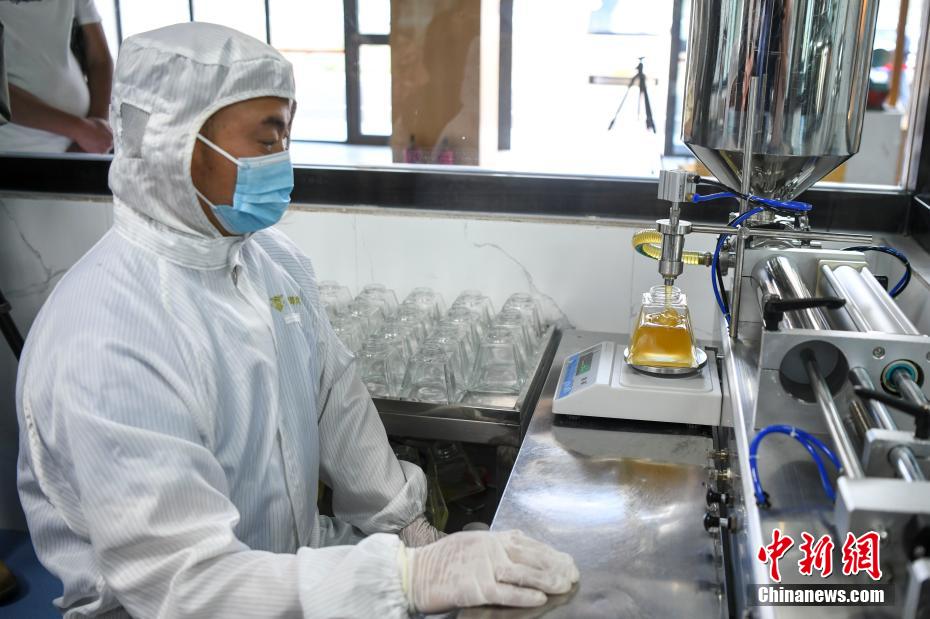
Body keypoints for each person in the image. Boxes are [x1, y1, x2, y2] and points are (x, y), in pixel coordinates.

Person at [15, 22, 578, 618]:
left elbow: (334, 398)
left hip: (291, 576)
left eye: (287, 136)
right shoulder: (107, 337)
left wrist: (410, 529)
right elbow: (185, 586)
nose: (282, 163)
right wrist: (407, 579)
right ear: (174, 146)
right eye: (267, 140)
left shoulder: (270, 261)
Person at [0, 0, 113, 153]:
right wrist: (80, 129)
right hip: (18, 151)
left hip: (83, 145)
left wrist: (96, 129)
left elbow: (100, 61)